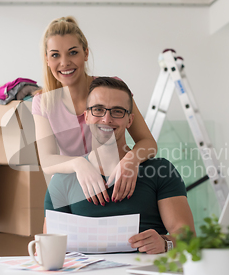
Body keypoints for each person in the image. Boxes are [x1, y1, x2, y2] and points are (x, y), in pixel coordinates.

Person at [44, 77, 195, 254]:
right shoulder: (63, 180)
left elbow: (188, 237)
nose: (107, 119)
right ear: (86, 116)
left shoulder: (161, 171)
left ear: (130, 120)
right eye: (98, 110)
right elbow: (48, 248)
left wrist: (165, 242)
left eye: (117, 111)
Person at [33, 16, 157, 206]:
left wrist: (130, 160)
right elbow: (47, 160)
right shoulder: (43, 102)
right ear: (47, 60)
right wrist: (79, 163)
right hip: (77, 190)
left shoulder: (113, 88)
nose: (64, 62)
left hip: (119, 184)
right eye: (55, 55)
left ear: (86, 53)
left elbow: (149, 143)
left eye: (72, 52)